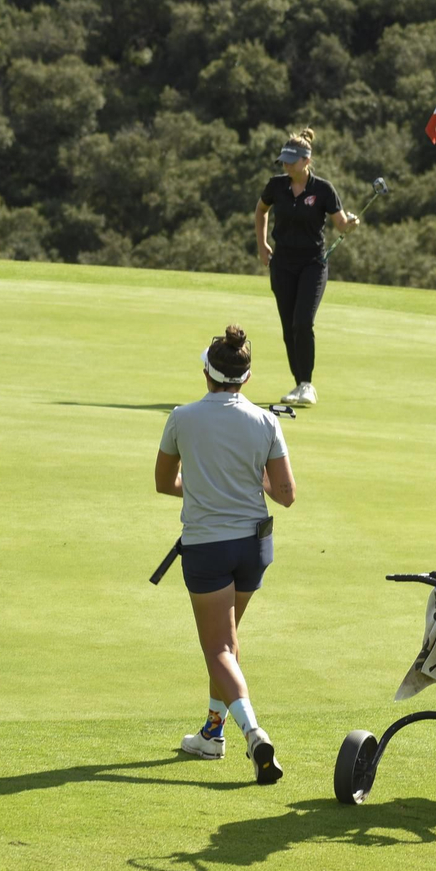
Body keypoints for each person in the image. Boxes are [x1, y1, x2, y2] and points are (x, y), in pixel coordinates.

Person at [154, 325, 297, 784]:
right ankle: (212, 734)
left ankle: (253, 734)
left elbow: (164, 482)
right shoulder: (266, 422)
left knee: (217, 647)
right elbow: (286, 494)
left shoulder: (182, 418)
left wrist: (204, 489)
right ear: (246, 378)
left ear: (206, 373)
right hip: (254, 548)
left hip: (207, 548)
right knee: (228, 644)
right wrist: (247, 481)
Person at [254, 127, 361, 406]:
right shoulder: (276, 185)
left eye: (291, 161)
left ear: (306, 161)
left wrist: (350, 224)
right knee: (289, 327)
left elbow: (341, 224)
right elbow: (261, 210)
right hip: (282, 264)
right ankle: (298, 383)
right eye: (284, 161)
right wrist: (262, 244)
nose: (286, 166)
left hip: (312, 264)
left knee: (303, 321)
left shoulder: (323, 189)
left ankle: (307, 385)